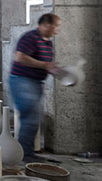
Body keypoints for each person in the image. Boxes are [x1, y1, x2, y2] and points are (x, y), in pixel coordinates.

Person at [9, 12, 62, 160]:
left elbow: (44, 65)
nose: (58, 28)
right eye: (56, 25)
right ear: (45, 24)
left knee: (34, 119)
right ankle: (24, 154)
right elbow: (19, 57)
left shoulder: (47, 42)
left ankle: (26, 152)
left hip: (34, 83)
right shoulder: (30, 38)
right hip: (22, 81)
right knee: (30, 119)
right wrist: (45, 65)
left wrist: (56, 71)